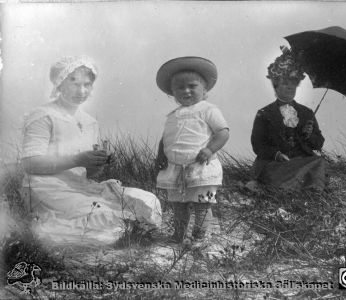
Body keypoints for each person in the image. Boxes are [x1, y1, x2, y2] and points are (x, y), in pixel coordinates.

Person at [21, 55, 162, 245]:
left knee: (147, 200)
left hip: (80, 186)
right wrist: (78, 159)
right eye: (74, 83)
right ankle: (43, 228)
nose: (81, 91)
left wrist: (98, 163)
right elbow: (30, 164)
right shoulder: (43, 116)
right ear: (59, 83)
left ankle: (124, 230)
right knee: (106, 218)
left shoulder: (89, 122)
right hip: (47, 187)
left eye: (87, 85)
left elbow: (88, 173)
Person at [155, 56, 229, 243]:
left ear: (204, 90)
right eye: (180, 88)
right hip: (175, 168)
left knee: (202, 205)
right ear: (172, 92)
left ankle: (199, 237)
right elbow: (165, 139)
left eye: (192, 86)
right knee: (178, 205)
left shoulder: (208, 109)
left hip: (201, 167)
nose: (186, 91)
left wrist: (210, 149)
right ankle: (178, 235)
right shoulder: (173, 115)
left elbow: (223, 132)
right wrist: (160, 156)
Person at [250, 46, 327, 192]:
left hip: (300, 162)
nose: (290, 87)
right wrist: (276, 154)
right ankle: (291, 187)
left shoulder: (307, 113)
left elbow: (319, 143)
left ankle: (291, 188)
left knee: (317, 162)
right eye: (285, 83)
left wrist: (310, 135)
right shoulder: (264, 113)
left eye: (293, 83)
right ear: (276, 85)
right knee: (283, 172)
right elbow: (257, 145)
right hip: (274, 164)